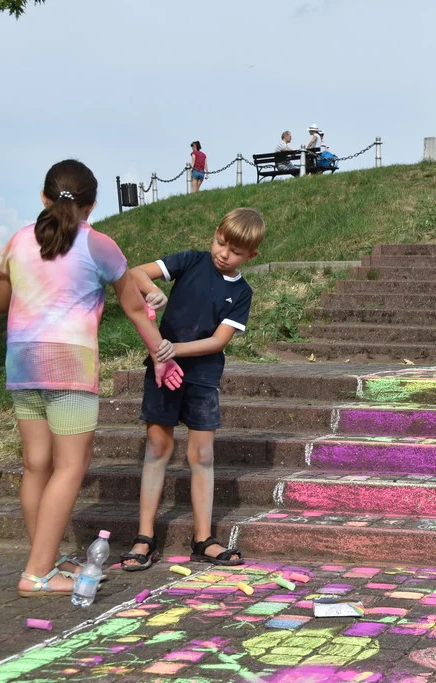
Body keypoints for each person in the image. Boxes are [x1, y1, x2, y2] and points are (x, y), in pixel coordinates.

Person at [0, 159, 183, 596]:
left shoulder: (20, 240)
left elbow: (1, 303)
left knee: (36, 465)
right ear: (91, 206)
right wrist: (160, 353)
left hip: (22, 365)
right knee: (70, 467)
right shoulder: (100, 246)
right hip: (69, 367)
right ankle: (37, 575)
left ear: (44, 198)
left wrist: (12, 275)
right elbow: (136, 308)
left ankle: (45, 559)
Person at [121, 208, 266, 571]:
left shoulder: (242, 293)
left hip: (202, 378)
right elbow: (134, 273)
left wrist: (173, 349)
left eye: (234, 251)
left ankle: (203, 539)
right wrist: (154, 292)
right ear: (215, 232)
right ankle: (144, 537)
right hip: (160, 370)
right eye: (220, 242)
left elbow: (218, 341)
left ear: (251, 256)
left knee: (201, 456)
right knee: (158, 447)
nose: (222, 253)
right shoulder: (190, 261)